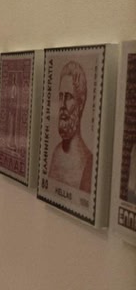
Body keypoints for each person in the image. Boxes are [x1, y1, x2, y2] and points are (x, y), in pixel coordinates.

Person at [48, 61, 93, 192]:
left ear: (80, 103)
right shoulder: (56, 153)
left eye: (68, 97)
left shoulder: (87, 162)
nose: (62, 105)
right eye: (60, 96)